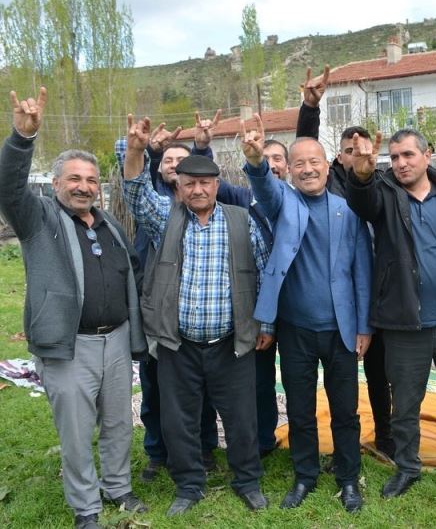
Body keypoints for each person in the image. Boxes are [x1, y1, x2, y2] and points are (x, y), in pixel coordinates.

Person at [0, 88, 147, 529]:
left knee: (119, 423)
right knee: (77, 433)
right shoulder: (38, 219)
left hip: (117, 341)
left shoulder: (109, 224)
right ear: (58, 183)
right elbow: (8, 187)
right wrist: (22, 139)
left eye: (91, 180)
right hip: (69, 347)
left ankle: (117, 487)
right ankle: (86, 507)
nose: (84, 187)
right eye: (74, 179)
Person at [123, 115, 271, 516]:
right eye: (189, 183)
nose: (198, 189)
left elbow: (265, 273)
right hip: (178, 344)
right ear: (179, 186)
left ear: (216, 185)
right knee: (179, 421)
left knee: (242, 420)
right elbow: (136, 192)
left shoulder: (241, 222)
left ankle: (247, 481)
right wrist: (136, 150)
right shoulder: (164, 218)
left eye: (205, 182)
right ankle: (188, 486)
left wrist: (267, 325)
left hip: (230, 344)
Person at [242, 115, 372, 512]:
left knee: (345, 411)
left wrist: (364, 326)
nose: (308, 169)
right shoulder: (285, 203)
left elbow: (362, 272)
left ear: (327, 165)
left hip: (341, 330)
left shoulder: (347, 210)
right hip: (295, 330)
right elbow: (265, 186)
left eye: (314, 161)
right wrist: (255, 162)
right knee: (299, 410)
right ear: (291, 171)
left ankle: (348, 478)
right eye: (299, 163)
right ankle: (305, 476)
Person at [348, 128, 436, 505]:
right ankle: (407, 468)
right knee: (404, 406)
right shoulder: (385, 196)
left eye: (408, 155)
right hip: (406, 324)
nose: (401, 164)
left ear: (427, 156)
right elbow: (362, 203)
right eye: (393, 158)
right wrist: (361, 174)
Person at [295, 65, 395, 458]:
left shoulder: (384, 181)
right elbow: (304, 149)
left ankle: (386, 435)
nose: (360, 156)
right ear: (340, 154)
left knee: (380, 372)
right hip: (342, 299)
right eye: (352, 150)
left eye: (366, 149)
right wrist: (310, 107)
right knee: (343, 380)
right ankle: (340, 448)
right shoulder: (327, 181)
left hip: (379, 292)